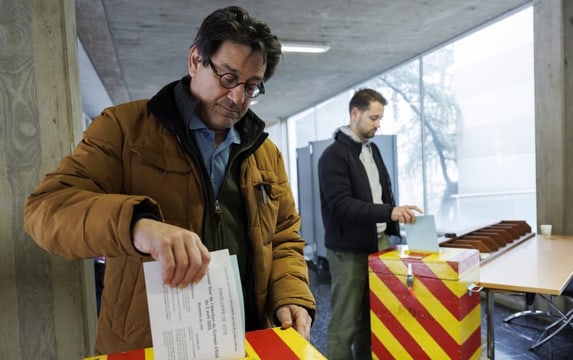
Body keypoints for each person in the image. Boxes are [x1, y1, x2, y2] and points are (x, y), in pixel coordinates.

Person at [23, 6, 315, 355]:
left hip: (247, 340)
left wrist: (292, 294)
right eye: (227, 78)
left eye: (252, 86)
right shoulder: (124, 129)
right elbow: (46, 210)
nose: (238, 98)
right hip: (150, 345)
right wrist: (137, 224)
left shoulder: (265, 153)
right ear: (195, 60)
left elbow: (283, 237)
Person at [317, 88, 422, 359]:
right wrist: (390, 212)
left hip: (379, 244)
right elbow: (342, 206)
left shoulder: (372, 150)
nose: (378, 124)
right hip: (348, 250)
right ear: (355, 113)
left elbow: (382, 192)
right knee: (346, 323)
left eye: (380, 118)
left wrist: (394, 222)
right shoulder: (333, 156)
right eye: (373, 118)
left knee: (373, 319)